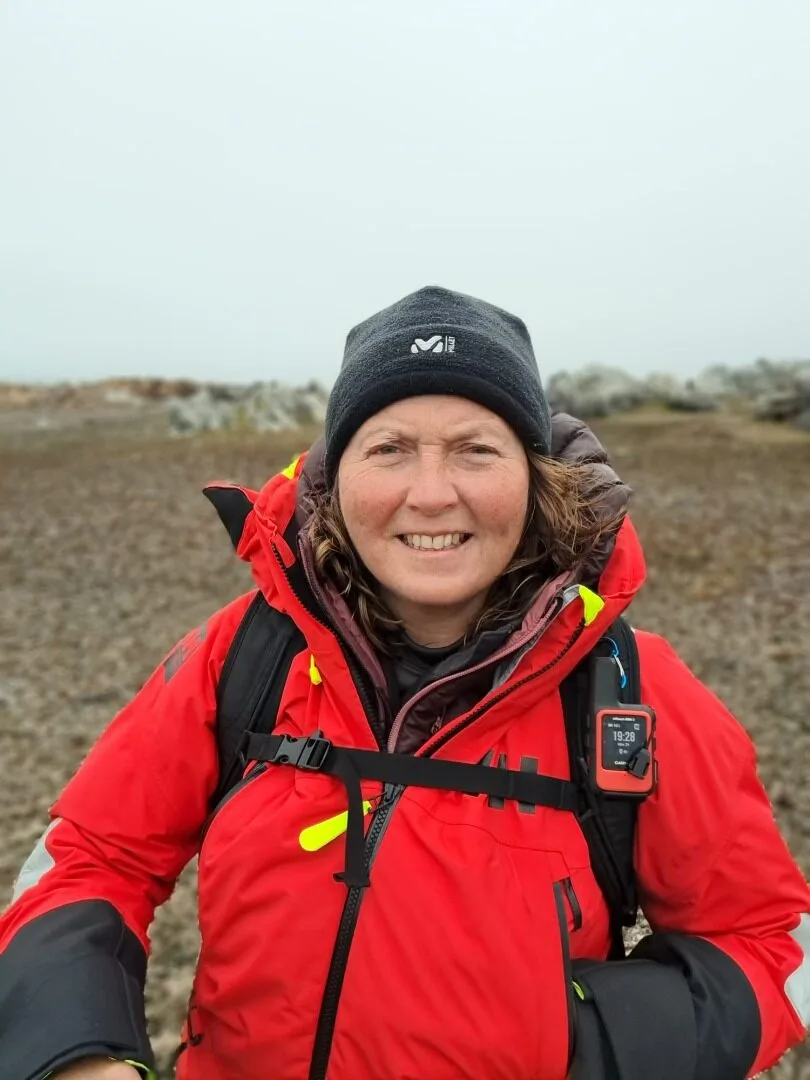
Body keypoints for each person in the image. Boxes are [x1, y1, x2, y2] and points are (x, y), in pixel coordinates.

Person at [0, 286, 808, 1080]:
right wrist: (77, 1053)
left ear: (538, 480)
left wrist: (588, 1043)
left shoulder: (631, 688)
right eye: (388, 448)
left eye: (475, 449)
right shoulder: (242, 654)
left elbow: (771, 941)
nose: (430, 494)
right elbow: (88, 857)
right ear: (335, 476)